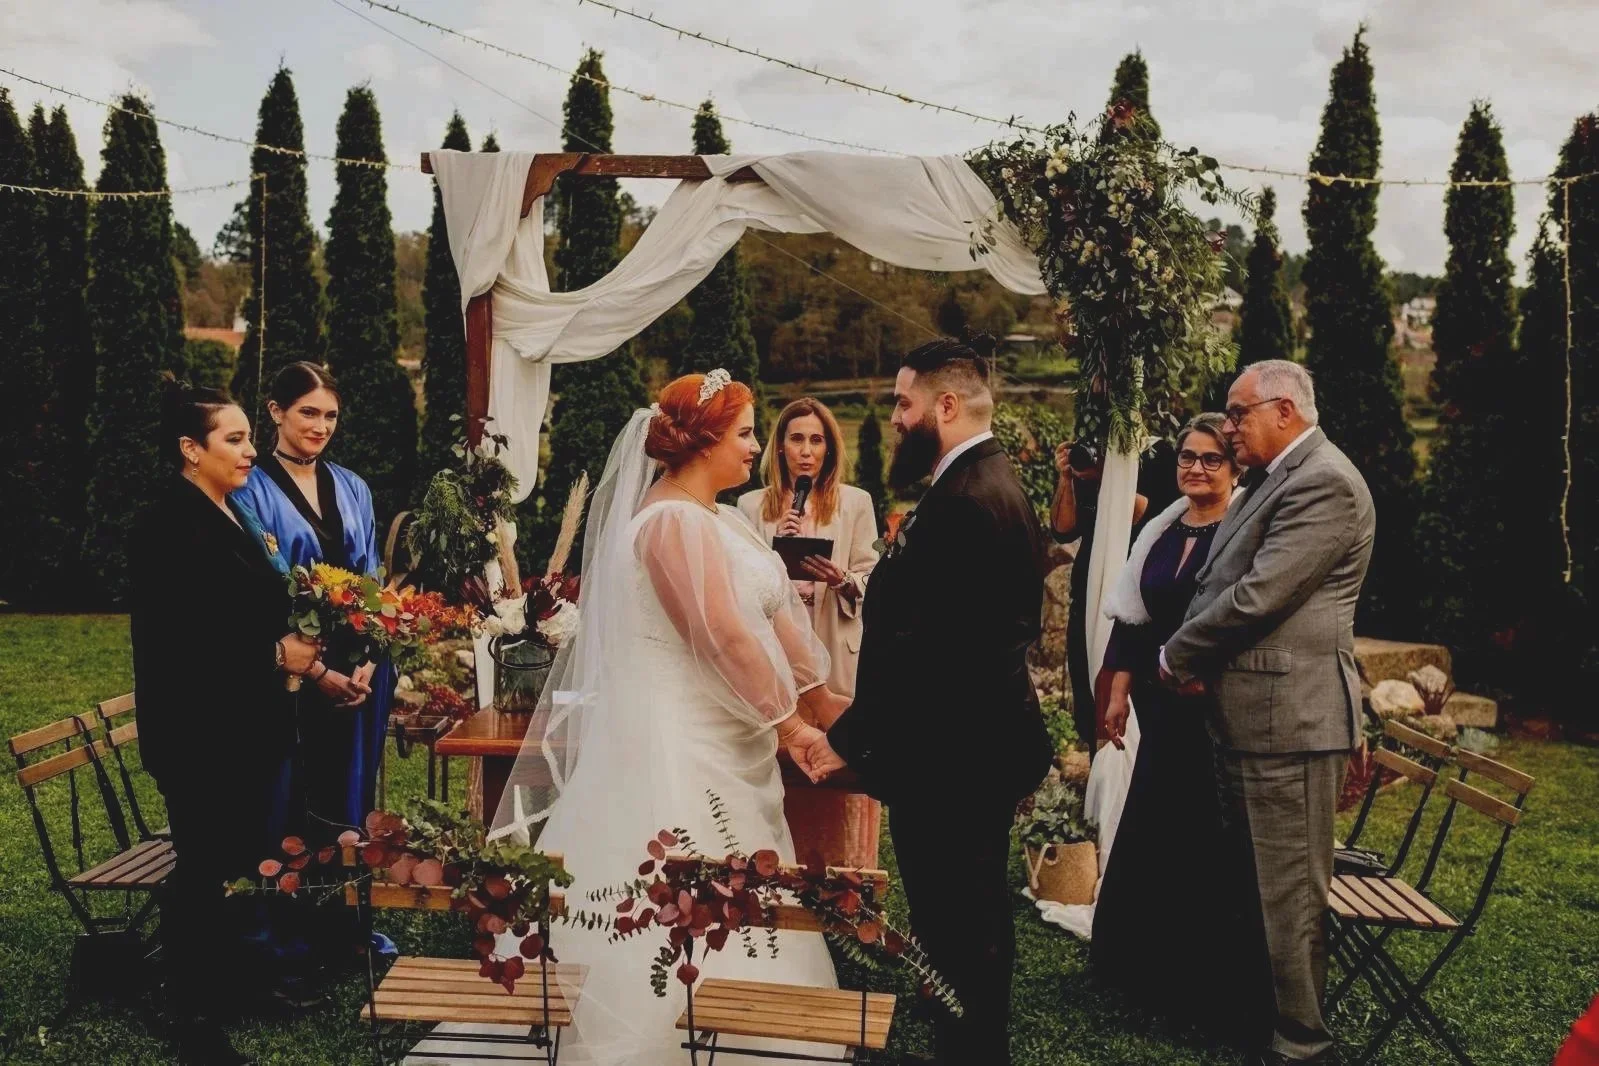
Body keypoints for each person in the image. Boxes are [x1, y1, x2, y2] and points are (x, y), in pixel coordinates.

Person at [478, 370, 852, 1066]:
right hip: (679, 739)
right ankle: (659, 1035)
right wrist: (791, 727)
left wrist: (825, 699)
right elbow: (720, 636)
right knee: (681, 868)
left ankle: (752, 1020)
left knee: (743, 873)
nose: (754, 448)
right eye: (744, 434)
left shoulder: (724, 516)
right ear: (703, 441)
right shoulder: (670, 523)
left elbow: (776, 618)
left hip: (733, 732)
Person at [806, 335, 1056, 1065]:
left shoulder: (968, 501)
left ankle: (972, 1053)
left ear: (944, 405)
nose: (893, 418)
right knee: (960, 917)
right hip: (967, 745)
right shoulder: (978, 482)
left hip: (958, 756)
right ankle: (966, 1046)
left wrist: (847, 739)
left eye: (902, 403)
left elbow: (929, 653)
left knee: (962, 918)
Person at [1160, 360, 1375, 1065]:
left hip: (1291, 724)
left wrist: (1176, 655)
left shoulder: (1325, 482)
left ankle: (1302, 1046)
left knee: (1287, 896)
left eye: (1237, 412)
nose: (1228, 426)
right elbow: (1222, 578)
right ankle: (1261, 1024)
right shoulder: (1276, 475)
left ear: (1282, 410)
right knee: (1252, 888)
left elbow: (1258, 596)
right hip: (1251, 715)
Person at [131, 379, 320, 1064]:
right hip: (198, 731)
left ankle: (225, 983)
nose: (247, 453)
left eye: (246, 438)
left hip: (248, 724)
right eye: (233, 440)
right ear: (190, 449)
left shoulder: (231, 511)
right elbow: (183, 637)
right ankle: (193, 1020)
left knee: (230, 861)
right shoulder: (167, 525)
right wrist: (276, 650)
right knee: (201, 870)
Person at [1091, 413, 1260, 1039]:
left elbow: (1244, 617)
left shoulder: (1241, 532)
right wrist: (1118, 690)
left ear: (1234, 467)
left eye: (1211, 459)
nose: (1194, 467)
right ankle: (1139, 963)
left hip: (1211, 705)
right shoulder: (1162, 530)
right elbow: (1134, 615)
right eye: (1187, 457)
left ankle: (1198, 982)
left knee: (1200, 837)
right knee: (1155, 821)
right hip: (1160, 706)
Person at [233, 362, 395, 838]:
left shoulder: (354, 487)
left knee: (349, 792)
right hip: (292, 669)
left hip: (361, 669)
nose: (320, 427)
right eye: (308, 412)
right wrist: (317, 671)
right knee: (293, 794)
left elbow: (371, 580)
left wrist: (369, 657)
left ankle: (345, 902)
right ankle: (292, 902)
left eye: (331, 416)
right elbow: (260, 587)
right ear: (276, 412)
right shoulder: (249, 489)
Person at [737, 397, 880, 870]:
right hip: (774, 661)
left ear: (829, 448)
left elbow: (872, 577)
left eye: (816, 440)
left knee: (835, 761)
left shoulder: (855, 503)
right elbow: (738, 588)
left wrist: (841, 579)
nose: (805, 450)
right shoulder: (750, 506)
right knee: (780, 762)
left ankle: (842, 873)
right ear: (779, 448)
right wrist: (778, 548)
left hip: (834, 653)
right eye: (796, 439)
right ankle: (779, 866)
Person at [1049, 441, 1148, 755]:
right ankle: (1097, 778)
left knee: (1120, 708)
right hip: (1085, 603)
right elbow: (1063, 529)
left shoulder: (1154, 459)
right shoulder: (1085, 465)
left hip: (1127, 608)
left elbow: (1139, 516)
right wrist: (1067, 478)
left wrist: (1109, 475)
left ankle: (1122, 783)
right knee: (1088, 703)